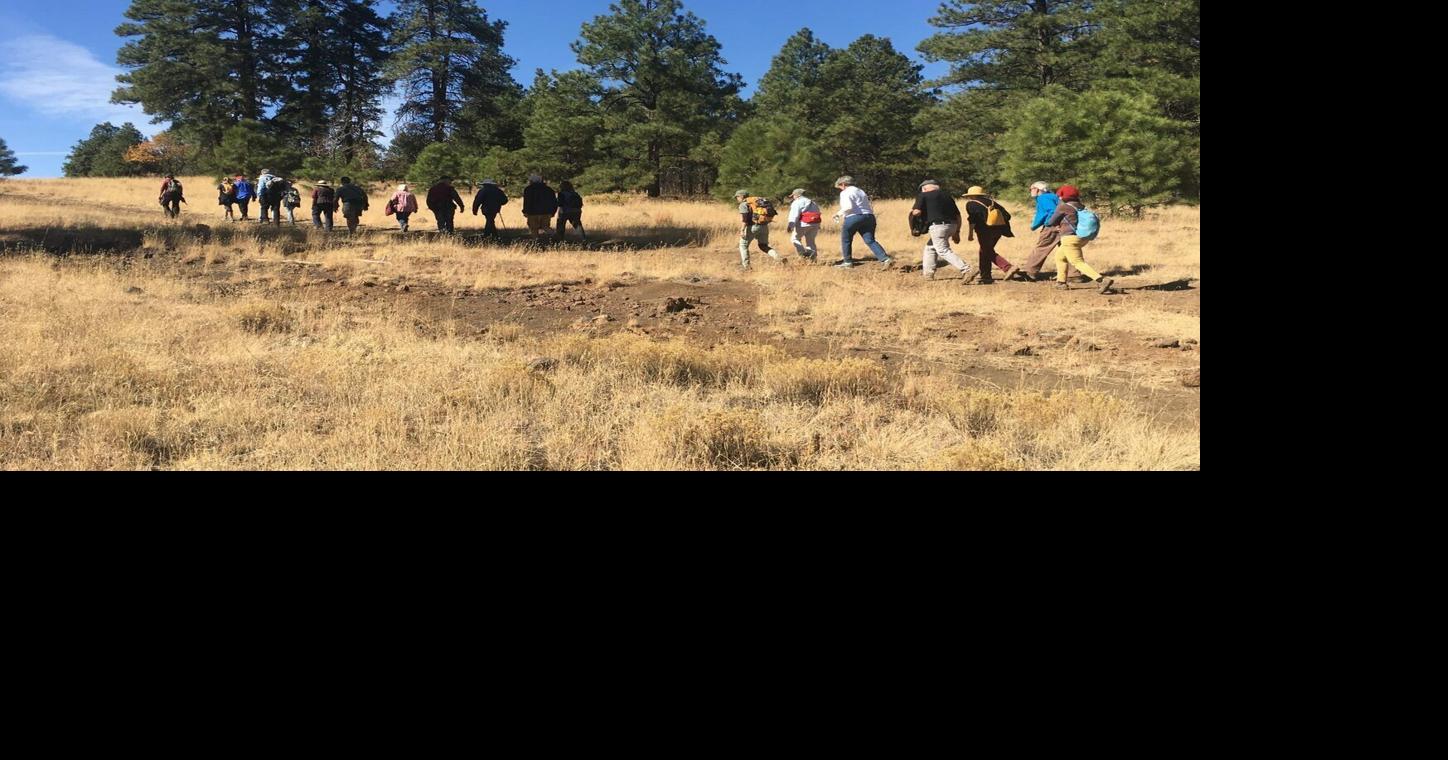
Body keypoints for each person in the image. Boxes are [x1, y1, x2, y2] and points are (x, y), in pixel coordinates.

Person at [1046, 185, 1114, 294]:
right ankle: (1061, 282)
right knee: (1060, 257)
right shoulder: (1080, 206)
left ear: (1063, 196)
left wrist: (1052, 222)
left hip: (1069, 238)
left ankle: (1102, 280)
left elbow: (1050, 222)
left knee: (1077, 262)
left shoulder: (1063, 207)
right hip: (1081, 237)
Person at [911, 179, 975, 282]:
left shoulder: (923, 195)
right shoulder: (947, 196)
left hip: (937, 227)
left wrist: (914, 214)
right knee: (930, 247)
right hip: (952, 225)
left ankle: (967, 269)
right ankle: (928, 274)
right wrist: (957, 232)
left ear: (924, 188)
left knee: (943, 250)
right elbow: (958, 216)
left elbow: (916, 212)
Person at [1021, 181, 1079, 282]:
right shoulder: (1053, 196)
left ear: (1038, 189)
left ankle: (1030, 272)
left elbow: (1052, 211)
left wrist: (1047, 224)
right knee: (1066, 249)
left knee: (1042, 247)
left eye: (1032, 188)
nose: (1030, 191)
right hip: (1065, 226)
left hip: (1053, 226)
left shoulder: (1043, 198)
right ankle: (1074, 274)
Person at [832, 176, 893, 269]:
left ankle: (847, 262)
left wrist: (837, 214)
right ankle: (885, 259)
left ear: (843, 184)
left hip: (854, 217)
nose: (840, 189)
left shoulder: (845, 192)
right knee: (870, 240)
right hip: (869, 217)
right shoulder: (860, 191)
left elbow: (848, 206)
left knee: (846, 239)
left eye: (839, 187)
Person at [962, 186, 1018, 284]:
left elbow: (972, 220)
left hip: (984, 231)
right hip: (999, 230)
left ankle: (1008, 267)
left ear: (971, 195)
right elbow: (1007, 216)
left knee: (986, 251)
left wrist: (970, 234)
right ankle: (986, 276)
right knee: (984, 251)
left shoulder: (971, 204)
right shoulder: (992, 202)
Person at [735, 189, 782, 270]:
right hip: (764, 226)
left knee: (743, 245)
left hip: (752, 227)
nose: (736, 199)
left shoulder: (744, 204)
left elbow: (745, 219)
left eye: (737, 197)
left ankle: (746, 267)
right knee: (763, 246)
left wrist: (742, 230)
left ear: (742, 196)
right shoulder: (757, 201)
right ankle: (778, 257)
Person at [786, 188, 821, 262]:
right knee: (811, 241)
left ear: (797, 195)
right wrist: (818, 225)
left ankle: (803, 255)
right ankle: (813, 259)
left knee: (794, 239)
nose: (793, 197)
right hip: (815, 223)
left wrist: (790, 225)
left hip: (803, 223)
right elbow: (818, 212)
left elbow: (794, 215)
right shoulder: (812, 202)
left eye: (793, 195)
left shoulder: (797, 202)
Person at [522, 174, 558, 238]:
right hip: (546, 212)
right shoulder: (549, 189)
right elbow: (554, 202)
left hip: (532, 212)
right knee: (546, 227)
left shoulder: (528, 189)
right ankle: (555, 236)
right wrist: (553, 212)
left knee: (533, 228)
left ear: (532, 181)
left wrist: (525, 211)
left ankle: (536, 242)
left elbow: (527, 201)